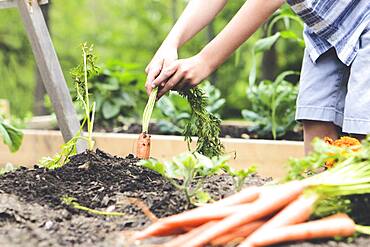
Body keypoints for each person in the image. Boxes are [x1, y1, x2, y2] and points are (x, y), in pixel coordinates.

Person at [144, 0, 370, 154]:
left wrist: (206, 60)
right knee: (317, 122)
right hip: (326, 27)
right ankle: (326, 214)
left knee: (363, 131)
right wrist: (171, 43)